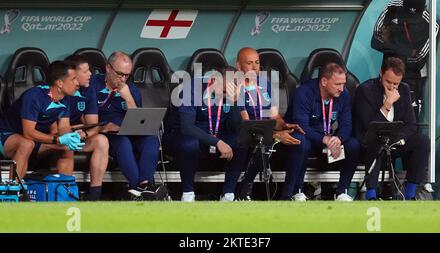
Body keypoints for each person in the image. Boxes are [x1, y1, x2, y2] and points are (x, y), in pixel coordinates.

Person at [90, 51, 166, 200]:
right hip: (107, 133)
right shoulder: (93, 84)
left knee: (151, 140)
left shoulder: (131, 89)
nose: (123, 79)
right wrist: (102, 128)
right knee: (122, 142)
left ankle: (142, 187)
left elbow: (138, 120)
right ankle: (139, 188)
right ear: (108, 68)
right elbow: (86, 116)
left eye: (127, 75)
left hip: (128, 130)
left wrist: (128, 97)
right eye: (120, 74)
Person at [281, 62, 360, 201]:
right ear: (324, 81)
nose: (342, 88)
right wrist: (325, 139)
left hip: (326, 138)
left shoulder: (344, 95)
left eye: (343, 84)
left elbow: (347, 124)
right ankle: (294, 192)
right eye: (337, 84)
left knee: (353, 145)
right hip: (303, 137)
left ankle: (341, 192)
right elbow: (302, 126)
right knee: (301, 141)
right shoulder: (304, 92)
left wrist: (339, 139)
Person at [163, 66, 244, 202]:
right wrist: (217, 142)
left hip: (214, 135)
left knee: (241, 140)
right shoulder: (192, 88)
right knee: (190, 143)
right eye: (224, 91)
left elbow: (236, 127)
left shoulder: (232, 93)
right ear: (213, 80)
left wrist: (234, 102)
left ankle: (228, 195)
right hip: (182, 136)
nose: (225, 96)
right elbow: (187, 127)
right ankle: (188, 194)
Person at [353, 57, 429, 200]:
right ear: (381, 73)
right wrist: (387, 104)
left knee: (422, 141)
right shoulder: (365, 90)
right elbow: (369, 126)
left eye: (396, 83)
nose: (392, 87)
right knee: (375, 143)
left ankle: (410, 194)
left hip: (394, 141)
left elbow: (411, 125)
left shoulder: (404, 89)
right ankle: (371, 194)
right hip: (370, 141)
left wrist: (396, 139)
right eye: (389, 82)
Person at [234, 47, 303, 200]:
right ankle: (245, 191)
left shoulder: (264, 83)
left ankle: (291, 194)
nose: (254, 67)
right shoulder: (234, 86)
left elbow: (273, 116)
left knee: (300, 142)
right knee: (265, 143)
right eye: (249, 63)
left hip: (264, 132)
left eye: (257, 63)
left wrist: (283, 125)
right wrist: (275, 134)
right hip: (242, 133)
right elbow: (246, 123)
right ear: (238, 66)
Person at [0, 61, 83, 178]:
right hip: (5, 135)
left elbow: (63, 128)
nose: (77, 83)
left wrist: (72, 136)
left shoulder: (65, 98)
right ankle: (13, 192)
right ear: (60, 83)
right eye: (73, 79)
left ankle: (64, 192)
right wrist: (59, 139)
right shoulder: (34, 96)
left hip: (34, 140)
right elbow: (28, 133)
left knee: (66, 148)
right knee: (26, 144)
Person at [371, 0, 439, 119]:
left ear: (424, 8)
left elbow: (418, 62)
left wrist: (389, 44)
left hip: (412, 78)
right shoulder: (391, 8)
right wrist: (407, 51)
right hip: (388, 75)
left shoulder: (431, 24)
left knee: (411, 119)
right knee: (383, 115)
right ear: (403, 4)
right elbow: (375, 42)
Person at [64, 55, 110, 201]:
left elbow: (93, 126)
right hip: (56, 139)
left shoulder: (88, 90)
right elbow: (57, 129)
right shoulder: (60, 89)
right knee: (67, 143)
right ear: (73, 74)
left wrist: (83, 133)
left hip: (75, 136)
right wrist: (73, 130)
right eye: (85, 71)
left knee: (101, 140)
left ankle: (94, 196)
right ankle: (65, 195)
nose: (90, 74)